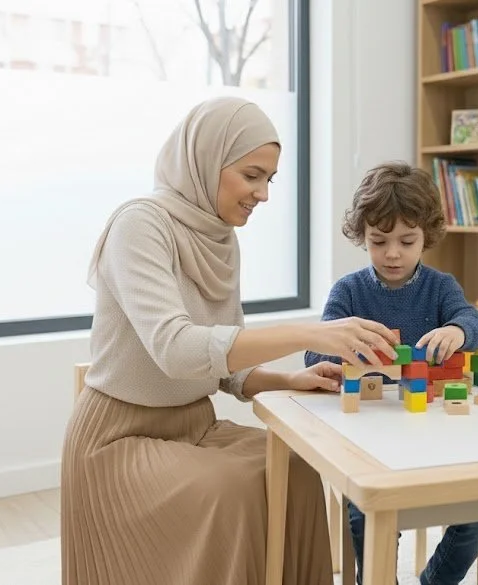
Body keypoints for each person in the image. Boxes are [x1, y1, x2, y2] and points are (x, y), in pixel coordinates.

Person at [60, 96, 400, 585]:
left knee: (300, 472)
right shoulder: (139, 225)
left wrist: (290, 378)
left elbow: (220, 361)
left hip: (197, 426)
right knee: (230, 490)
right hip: (120, 441)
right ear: (205, 161)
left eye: (269, 179)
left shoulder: (221, 236)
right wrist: (311, 332)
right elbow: (177, 349)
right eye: (251, 174)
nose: (263, 194)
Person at [304, 161, 478, 585]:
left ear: (426, 236)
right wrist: (345, 347)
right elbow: (311, 356)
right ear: (363, 238)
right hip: (371, 435)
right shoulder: (349, 291)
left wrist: (456, 329)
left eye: (406, 241)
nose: (393, 253)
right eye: (379, 241)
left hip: (436, 430)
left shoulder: (441, 287)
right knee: (366, 511)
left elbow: (477, 324)